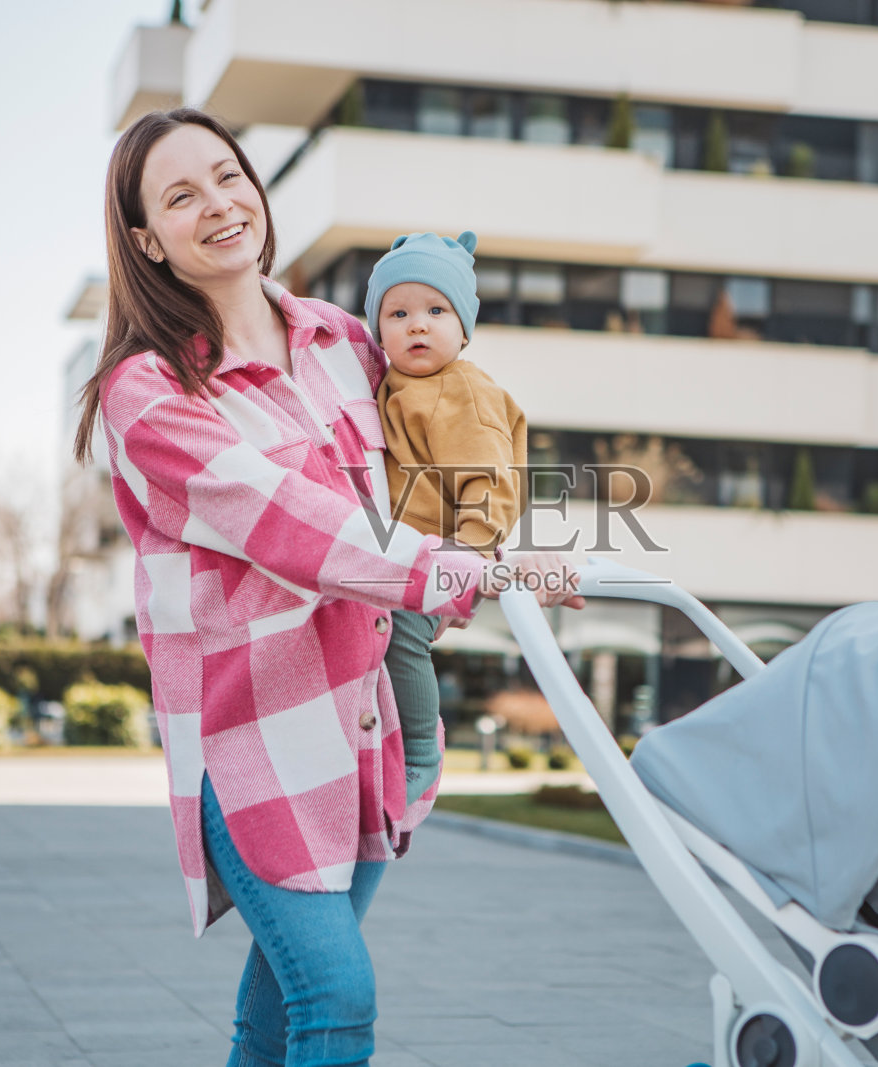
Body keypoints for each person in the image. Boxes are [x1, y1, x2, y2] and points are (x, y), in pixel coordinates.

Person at [73, 108, 583, 1067]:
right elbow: (295, 528)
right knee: (337, 997)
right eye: (181, 196)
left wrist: (502, 534)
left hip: (372, 729)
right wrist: (471, 570)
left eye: (228, 175)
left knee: (279, 1011)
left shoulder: (351, 340)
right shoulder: (148, 393)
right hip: (257, 739)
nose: (220, 205)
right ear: (146, 238)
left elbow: (443, 446)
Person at [364, 230, 528, 803]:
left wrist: (473, 553)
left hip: (447, 551)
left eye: (437, 310)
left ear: (464, 328)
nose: (417, 324)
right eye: (398, 312)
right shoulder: (394, 384)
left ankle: (421, 754)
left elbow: (492, 477)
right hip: (399, 555)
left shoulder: (461, 390)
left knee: (402, 635)